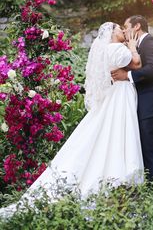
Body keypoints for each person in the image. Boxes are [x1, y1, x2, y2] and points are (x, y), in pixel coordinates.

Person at [0, 22, 144, 219]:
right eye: (119, 28)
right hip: (120, 95)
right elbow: (137, 64)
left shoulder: (106, 50)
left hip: (115, 92)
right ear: (111, 33)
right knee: (118, 129)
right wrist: (133, 47)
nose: (123, 31)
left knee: (108, 131)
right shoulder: (118, 49)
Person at [111, 15, 153, 185]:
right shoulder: (136, 46)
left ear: (137, 26)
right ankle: (152, 195)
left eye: (126, 26)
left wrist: (127, 75)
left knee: (152, 154)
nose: (123, 30)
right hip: (144, 108)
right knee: (145, 153)